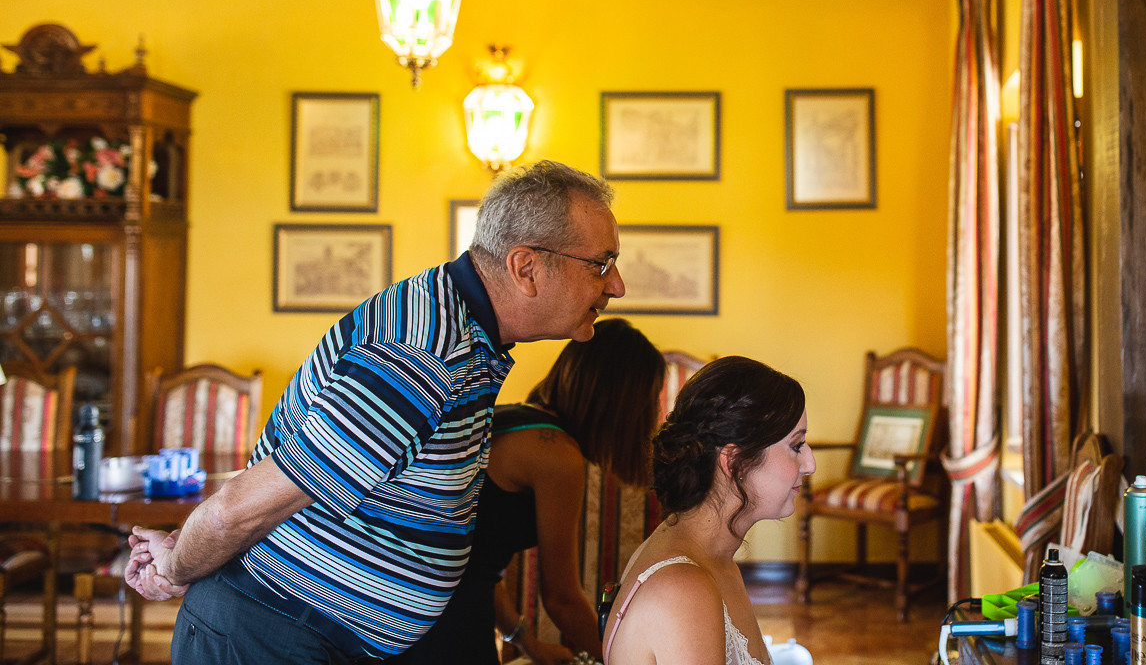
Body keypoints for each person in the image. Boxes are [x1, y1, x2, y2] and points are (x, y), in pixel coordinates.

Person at [125, 159, 627, 664]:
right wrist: (174, 566)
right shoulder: (422, 355)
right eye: (601, 264)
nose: (616, 285)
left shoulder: (462, 328)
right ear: (526, 268)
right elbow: (235, 512)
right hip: (270, 634)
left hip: (308, 634)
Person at [393, 318, 665, 665]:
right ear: (623, 403)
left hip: (407, 604)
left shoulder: (516, 419)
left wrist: (524, 641)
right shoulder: (558, 457)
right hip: (444, 618)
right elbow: (562, 599)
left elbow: (476, 560)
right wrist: (622, 660)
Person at [602, 356, 815, 665]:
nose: (810, 465)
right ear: (734, 462)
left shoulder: (709, 558)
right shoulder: (684, 589)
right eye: (796, 446)